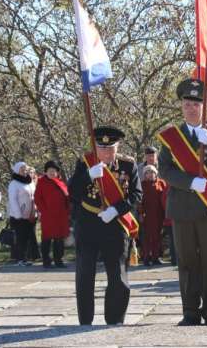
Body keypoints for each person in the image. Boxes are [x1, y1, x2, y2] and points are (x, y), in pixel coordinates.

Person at [157, 79, 207, 326]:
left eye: (196, 104)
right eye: (187, 103)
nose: (191, 108)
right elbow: (165, 171)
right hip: (181, 208)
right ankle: (190, 311)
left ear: (204, 108)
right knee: (187, 262)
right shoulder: (172, 137)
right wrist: (190, 182)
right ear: (181, 105)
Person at [69, 126, 142, 325]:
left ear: (118, 146)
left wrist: (116, 209)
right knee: (85, 274)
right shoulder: (85, 163)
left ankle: (115, 319)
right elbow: (72, 191)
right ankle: (85, 320)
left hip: (115, 224)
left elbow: (136, 195)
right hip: (88, 224)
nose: (107, 153)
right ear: (95, 147)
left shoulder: (128, 166)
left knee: (118, 275)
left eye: (111, 148)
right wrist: (88, 176)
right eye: (102, 148)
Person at [35, 160, 70, 268]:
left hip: (61, 216)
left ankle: (58, 260)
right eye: (49, 170)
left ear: (57, 172)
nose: (52, 172)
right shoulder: (41, 182)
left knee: (59, 239)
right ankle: (46, 260)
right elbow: (37, 198)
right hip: (48, 216)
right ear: (45, 172)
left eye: (54, 171)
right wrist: (44, 211)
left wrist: (68, 211)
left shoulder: (61, 182)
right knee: (47, 239)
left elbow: (67, 198)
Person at [8, 162, 37, 266]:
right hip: (19, 216)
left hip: (31, 214)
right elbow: (13, 200)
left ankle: (26, 258)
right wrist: (18, 215)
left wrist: (36, 210)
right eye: (22, 169)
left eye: (25, 168)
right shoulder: (14, 183)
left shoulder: (30, 181)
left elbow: (34, 196)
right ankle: (20, 259)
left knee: (29, 237)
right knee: (21, 238)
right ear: (17, 170)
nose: (24, 170)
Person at [139, 164, 166, 266]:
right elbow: (139, 201)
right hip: (147, 215)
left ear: (156, 173)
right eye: (147, 173)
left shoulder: (161, 183)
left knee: (157, 237)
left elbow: (165, 198)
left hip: (159, 214)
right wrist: (141, 213)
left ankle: (156, 257)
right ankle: (146, 257)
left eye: (152, 172)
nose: (150, 175)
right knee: (147, 238)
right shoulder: (142, 185)